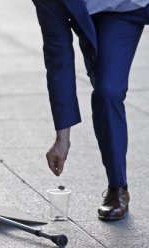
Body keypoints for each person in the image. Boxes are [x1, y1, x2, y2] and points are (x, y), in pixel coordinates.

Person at [32, 0, 149, 220]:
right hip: (116, 16)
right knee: (107, 91)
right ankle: (117, 188)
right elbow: (59, 59)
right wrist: (62, 138)